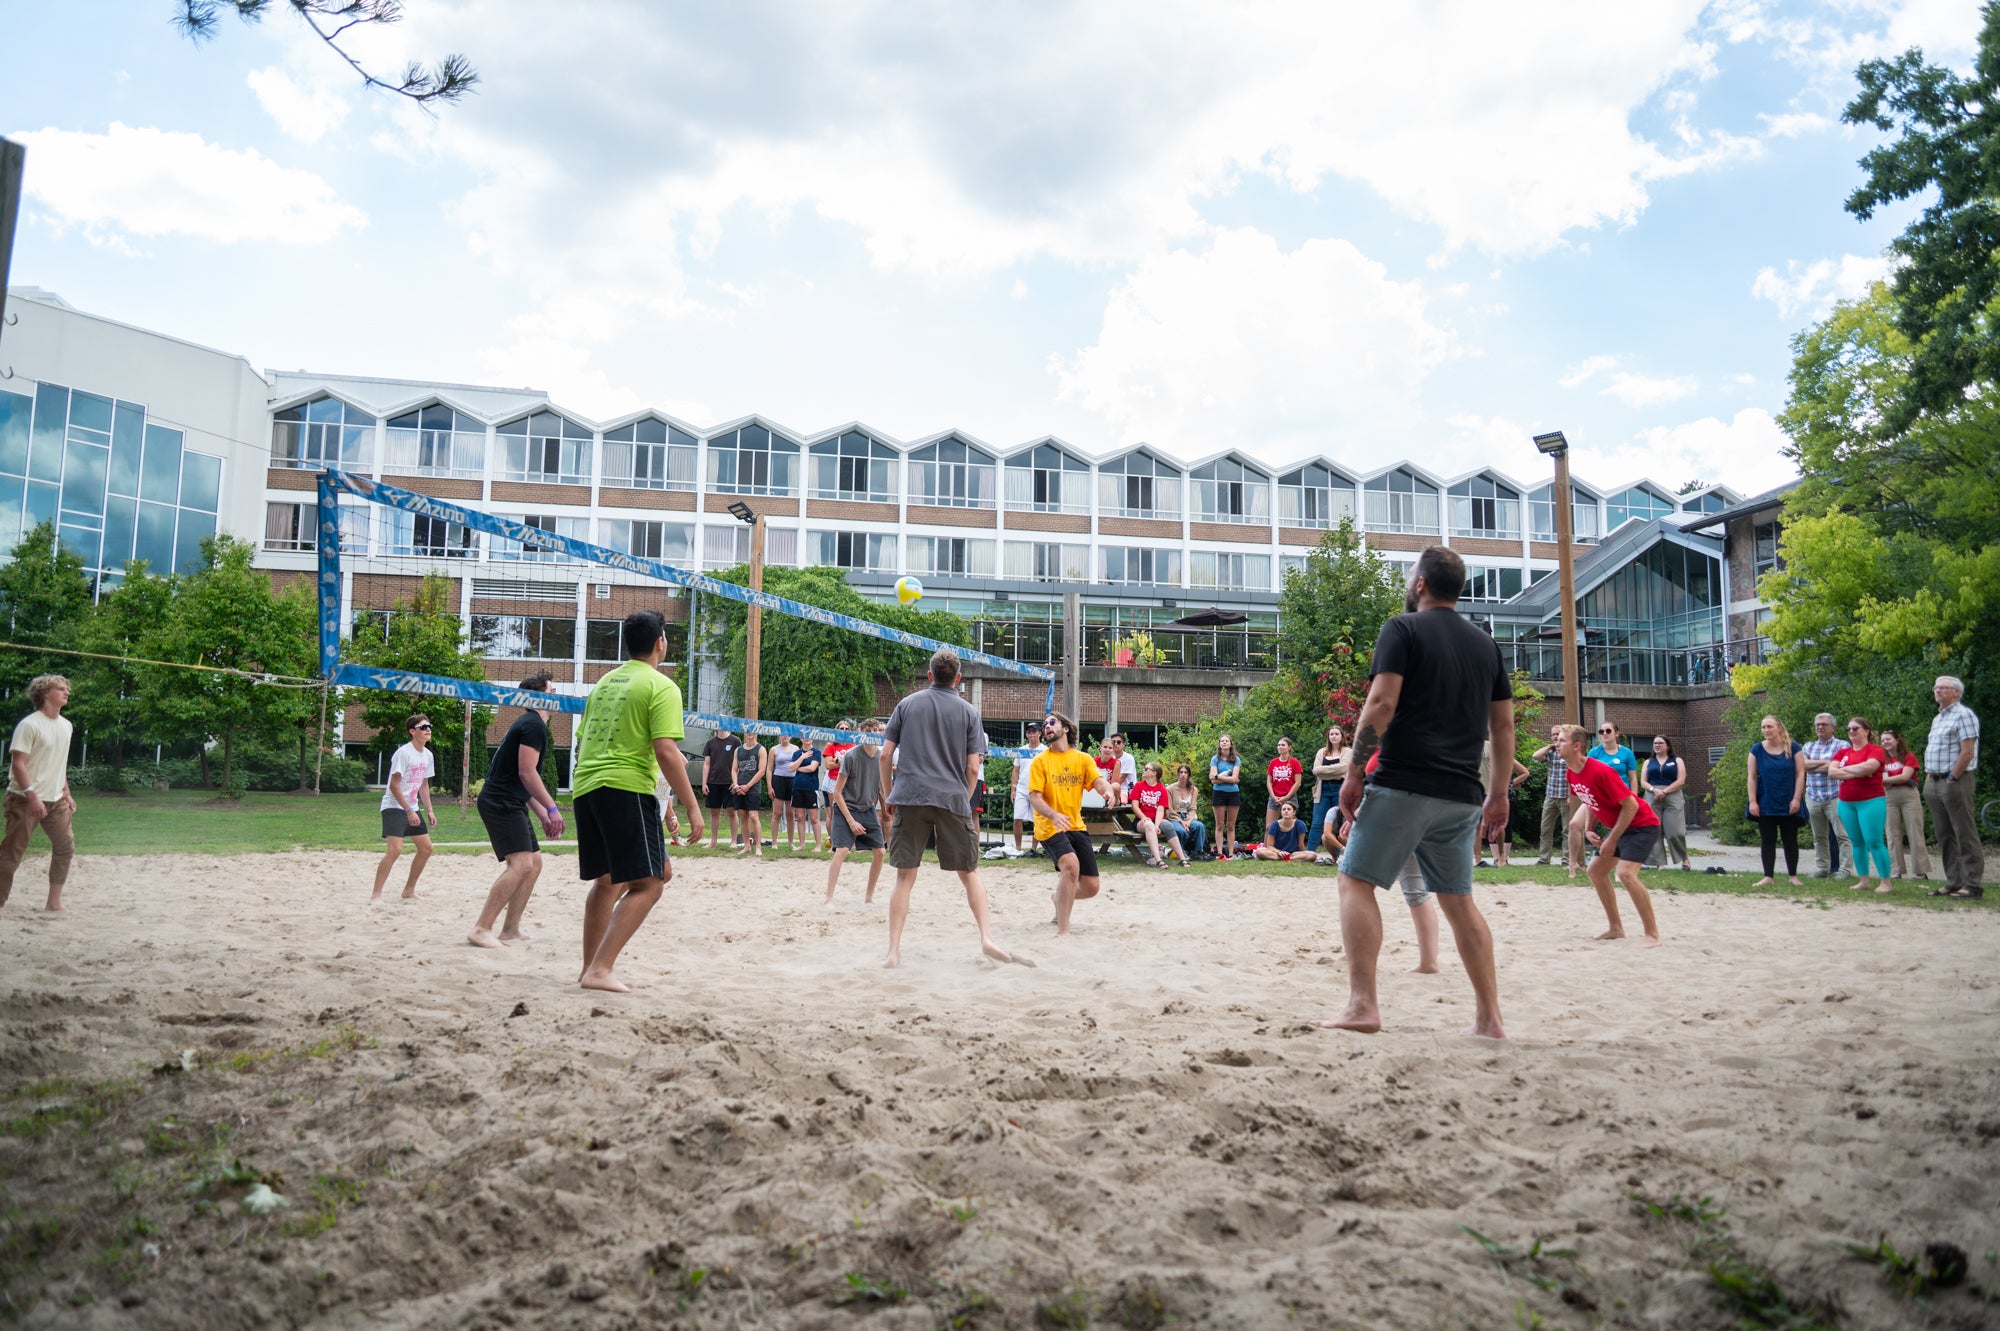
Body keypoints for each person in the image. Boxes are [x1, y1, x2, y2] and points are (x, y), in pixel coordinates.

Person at [1321, 546, 1512, 1039]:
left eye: (1410, 576)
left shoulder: (1401, 629)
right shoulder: (1486, 645)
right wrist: (1498, 794)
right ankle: (1489, 1019)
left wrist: (1355, 771)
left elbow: (1382, 702)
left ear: (1421, 584)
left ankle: (1363, 1005)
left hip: (1405, 783)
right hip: (1462, 794)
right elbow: (1503, 725)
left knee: (1355, 881)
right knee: (1458, 900)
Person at [570, 610, 703, 993]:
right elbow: (665, 750)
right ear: (661, 641)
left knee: (608, 880)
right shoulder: (662, 686)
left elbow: (585, 741)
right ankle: (600, 969)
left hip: (587, 786)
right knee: (652, 882)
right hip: (626, 787)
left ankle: (589, 968)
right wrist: (691, 806)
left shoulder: (604, 683)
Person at [880, 649, 1023, 967]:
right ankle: (986, 937)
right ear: (958, 678)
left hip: (910, 796)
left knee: (905, 877)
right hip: (952, 798)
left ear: (929, 675)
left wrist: (889, 795)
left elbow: (884, 756)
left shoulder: (906, 704)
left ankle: (893, 952)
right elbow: (974, 768)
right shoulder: (969, 711)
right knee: (969, 872)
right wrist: (963, 796)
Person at [467, 674, 566, 949]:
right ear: (539, 697)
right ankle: (482, 928)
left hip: (511, 799)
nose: (557, 696)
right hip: (501, 801)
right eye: (553, 691)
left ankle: (510, 929)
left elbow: (523, 778)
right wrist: (552, 808)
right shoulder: (533, 724)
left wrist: (543, 814)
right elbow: (527, 773)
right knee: (521, 864)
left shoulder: (532, 724)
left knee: (534, 863)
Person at [1557, 724, 1663, 947]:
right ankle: (1616, 928)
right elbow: (1591, 802)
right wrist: (1588, 829)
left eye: (1561, 740)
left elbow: (1631, 805)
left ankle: (1652, 934)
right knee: (1596, 871)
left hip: (1642, 825)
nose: (1556, 743)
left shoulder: (1601, 771)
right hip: (1622, 827)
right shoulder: (1571, 773)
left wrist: (1612, 839)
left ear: (1576, 746)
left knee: (1625, 874)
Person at [1029, 710, 1115, 937]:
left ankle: (1059, 897)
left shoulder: (1082, 759)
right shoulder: (1040, 761)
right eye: (1044, 724)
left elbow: (1097, 781)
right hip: (1049, 826)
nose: (1046, 727)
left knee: (1091, 887)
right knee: (1071, 867)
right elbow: (1035, 798)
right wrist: (1053, 815)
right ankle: (1063, 931)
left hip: (1075, 825)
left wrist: (1107, 791)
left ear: (1065, 728)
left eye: (1052, 722)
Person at [0, 674, 76, 914]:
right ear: (45, 693)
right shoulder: (29, 724)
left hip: (56, 800)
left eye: (67, 689)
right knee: (12, 852)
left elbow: (58, 764)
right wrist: (32, 797)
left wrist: (67, 792)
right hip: (23, 799)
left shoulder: (66, 725)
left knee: (65, 848)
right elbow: (18, 764)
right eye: (61, 689)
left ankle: (53, 903)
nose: (67, 692)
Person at [1923, 675, 1982, 900]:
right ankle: (1953, 881)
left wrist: (1952, 777)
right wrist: (1930, 776)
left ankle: (1973, 884)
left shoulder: (1964, 715)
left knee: (1964, 832)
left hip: (1955, 781)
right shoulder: (1939, 718)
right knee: (1944, 834)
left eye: (1943, 688)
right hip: (1934, 781)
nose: (1937, 690)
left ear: (1956, 692)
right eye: (1936, 687)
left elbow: (1967, 751)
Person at [371, 714, 437, 903]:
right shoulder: (404, 753)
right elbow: (394, 785)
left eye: (429, 726)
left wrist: (429, 810)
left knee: (426, 849)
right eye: (423, 727)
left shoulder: (428, 755)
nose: (428, 729)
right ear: (412, 731)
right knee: (395, 850)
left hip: (412, 806)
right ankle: (376, 895)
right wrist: (408, 811)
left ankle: (408, 890)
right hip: (394, 806)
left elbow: (423, 785)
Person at [825, 719, 888, 904]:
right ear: (860, 732)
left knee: (881, 852)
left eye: (875, 730)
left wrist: (887, 807)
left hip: (867, 808)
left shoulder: (882, 757)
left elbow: (882, 789)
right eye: (867, 730)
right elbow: (837, 793)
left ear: (879, 732)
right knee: (842, 850)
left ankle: (868, 897)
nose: (871, 733)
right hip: (846, 808)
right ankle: (829, 897)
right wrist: (851, 821)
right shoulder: (851, 756)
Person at [1828, 716, 1891, 892]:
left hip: (1871, 801)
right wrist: (1858, 771)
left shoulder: (1876, 749)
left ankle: (1885, 882)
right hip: (1846, 803)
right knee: (1856, 842)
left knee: (1874, 841)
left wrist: (1847, 770)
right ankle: (1863, 881)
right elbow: (1832, 772)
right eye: (1849, 729)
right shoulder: (1843, 753)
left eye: (1855, 728)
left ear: (1866, 731)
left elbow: (1869, 768)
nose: (1852, 732)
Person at [1747, 714, 1806, 887]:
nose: (1766, 730)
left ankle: (1793, 876)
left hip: (1788, 801)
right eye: (1763, 727)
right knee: (1767, 839)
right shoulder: (1756, 749)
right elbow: (1751, 777)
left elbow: (1800, 774)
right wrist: (1752, 801)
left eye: (1769, 726)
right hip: (1766, 801)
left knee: (1790, 839)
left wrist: (1796, 799)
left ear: (1779, 727)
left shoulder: (1794, 747)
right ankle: (1768, 877)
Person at [1800, 712, 1852, 878]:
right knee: (1819, 836)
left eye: (1824, 724)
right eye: (1818, 725)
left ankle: (1844, 870)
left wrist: (1815, 766)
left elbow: (1839, 768)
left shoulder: (1842, 745)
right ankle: (1822, 868)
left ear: (1833, 727)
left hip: (1835, 796)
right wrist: (1828, 764)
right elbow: (1802, 765)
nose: (1820, 727)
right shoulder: (1808, 746)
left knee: (1842, 835)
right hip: (1813, 796)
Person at [1879, 727, 1931, 882]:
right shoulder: (1882, 760)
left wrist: (1882, 780)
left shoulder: (1908, 757)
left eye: (1888, 739)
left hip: (1909, 795)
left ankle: (1919, 871)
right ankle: (1896, 870)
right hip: (1888, 797)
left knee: (1915, 831)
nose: (1885, 742)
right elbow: (1898, 777)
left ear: (1897, 740)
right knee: (1891, 833)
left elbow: (1905, 777)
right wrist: (1891, 780)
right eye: (1882, 740)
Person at [1530, 724, 1581, 872]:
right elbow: (1535, 756)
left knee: (1567, 830)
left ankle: (1566, 860)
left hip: (1566, 797)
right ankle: (1544, 859)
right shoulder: (1551, 753)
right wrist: (1550, 746)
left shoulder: (1569, 754)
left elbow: (1576, 775)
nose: (1556, 737)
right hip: (1551, 796)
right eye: (1553, 735)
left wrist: (1573, 796)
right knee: (1545, 829)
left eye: (1558, 735)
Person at [1641, 736, 1693, 871]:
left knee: (1675, 831)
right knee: (1654, 830)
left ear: (1667, 746)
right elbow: (1643, 782)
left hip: (1672, 795)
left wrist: (1665, 791)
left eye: (1660, 743)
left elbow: (1681, 780)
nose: (1657, 745)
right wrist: (1654, 790)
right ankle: (1659, 863)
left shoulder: (1677, 760)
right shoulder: (1648, 762)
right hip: (1652, 796)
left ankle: (1684, 858)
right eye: (1655, 743)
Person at [1476, 744, 1530, 867]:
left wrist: (1510, 783)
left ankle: (1503, 858)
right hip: (1487, 792)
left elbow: (1525, 772)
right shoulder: (1484, 755)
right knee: (1486, 826)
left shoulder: (1506, 757)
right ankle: (1495, 858)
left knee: (1504, 826)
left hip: (1503, 795)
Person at [1130, 761, 1186, 866]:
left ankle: (1182, 859)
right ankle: (1158, 860)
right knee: (1148, 824)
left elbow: (1160, 810)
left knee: (1168, 825)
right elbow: (1134, 806)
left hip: (1156, 819)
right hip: (1141, 820)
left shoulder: (1161, 789)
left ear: (1154, 773)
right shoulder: (1139, 786)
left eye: (1146, 769)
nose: (1143, 770)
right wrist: (1143, 817)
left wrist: (1157, 825)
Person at [1308, 726, 1351, 850]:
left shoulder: (1347, 751)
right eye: (1331, 734)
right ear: (1328, 736)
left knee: (1337, 823)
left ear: (1341, 736)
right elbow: (1315, 770)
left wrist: (1323, 770)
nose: (1333, 736)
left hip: (1340, 789)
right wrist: (1334, 770)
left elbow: (1344, 768)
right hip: (1323, 790)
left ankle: (1337, 854)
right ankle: (1310, 852)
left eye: (1336, 734)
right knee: (1317, 822)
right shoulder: (1322, 752)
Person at [730, 730, 770, 857]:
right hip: (740, 786)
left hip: (752, 787)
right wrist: (736, 784)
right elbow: (734, 769)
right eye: (747, 731)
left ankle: (758, 846)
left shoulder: (761, 749)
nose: (750, 733)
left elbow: (761, 771)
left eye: (752, 731)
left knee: (753, 815)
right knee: (743, 815)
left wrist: (748, 786)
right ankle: (747, 845)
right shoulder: (738, 750)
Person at [700, 728, 736, 850]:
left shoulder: (735, 740)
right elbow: (707, 764)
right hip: (713, 782)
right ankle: (713, 841)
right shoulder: (710, 742)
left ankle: (734, 841)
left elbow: (738, 763)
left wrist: (736, 782)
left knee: (731, 811)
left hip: (729, 782)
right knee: (714, 812)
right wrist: (704, 783)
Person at [1164, 763, 1208, 860]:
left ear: (1188, 775)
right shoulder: (1169, 789)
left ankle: (1198, 851)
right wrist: (1181, 821)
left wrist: (1187, 821)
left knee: (1199, 826)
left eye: (1185, 772)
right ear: (1177, 774)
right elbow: (1169, 809)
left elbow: (1193, 808)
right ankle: (1180, 851)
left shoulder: (1193, 789)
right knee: (1180, 830)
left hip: (1188, 816)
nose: (1183, 775)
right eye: (1181, 772)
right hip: (1174, 817)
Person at [1209, 735, 1244, 858]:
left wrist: (1218, 776)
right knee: (1219, 825)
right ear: (1219, 744)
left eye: (1226, 741)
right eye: (1222, 741)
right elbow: (1212, 779)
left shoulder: (1236, 759)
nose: (1224, 743)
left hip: (1233, 794)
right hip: (1218, 793)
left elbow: (1235, 779)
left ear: (1230, 744)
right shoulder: (1215, 759)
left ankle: (1230, 853)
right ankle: (1219, 852)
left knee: (1230, 825)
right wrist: (1225, 778)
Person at [1010, 734, 1047, 851]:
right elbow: (1016, 770)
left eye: (1034, 731)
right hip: (1021, 789)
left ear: (1039, 733)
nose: (1031, 734)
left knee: (1037, 820)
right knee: (1017, 819)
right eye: (1029, 732)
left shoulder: (1044, 750)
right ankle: (1018, 849)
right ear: (1026, 734)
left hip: (1037, 790)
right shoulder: (1021, 750)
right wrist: (1013, 789)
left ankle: (1033, 849)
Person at [789, 738, 824, 851]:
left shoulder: (816, 752)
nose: (807, 739)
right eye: (804, 736)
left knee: (814, 818)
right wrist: (802, 757)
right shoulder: (796, 753)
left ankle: (818, 845)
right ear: (801, 738)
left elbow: (812, 768)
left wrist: (797, 768)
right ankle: (801, 845)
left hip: (811, 787)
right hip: (798, 787)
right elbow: (790, 768)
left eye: (809, 736)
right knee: (800, 817)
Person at [1587, 722, 1640, 795]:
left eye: (1608, 731)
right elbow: (1588, 776)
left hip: (1622, 794)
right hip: (1601, 794)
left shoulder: (1627, 753)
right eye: (1601, 732)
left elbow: (1633, 778)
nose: (1604, 733)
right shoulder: (1593, 752)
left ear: (1616, 733)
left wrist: (1634, 797)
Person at [1266, 737, 1305, 830]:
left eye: (1283, 745)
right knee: (1269, 827)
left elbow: (1298, 782)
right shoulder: (1273, 762)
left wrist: (1286, 797)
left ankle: (1294, 844)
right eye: (1279, 745)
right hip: (1274, 797)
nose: (1280, 747)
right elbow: (1269, 781)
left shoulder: (1295, 763)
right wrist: (1273, 796)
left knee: (1291, 825)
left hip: (1290, 797)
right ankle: (1268, 845)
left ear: (1289, 747)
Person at [771, 734, 800, 842]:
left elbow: (798, 765)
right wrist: (770, 787)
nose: (785, 737)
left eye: (787, 735)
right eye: (783, 735)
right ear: (779, 736)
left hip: (792, 780)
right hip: (778, 780)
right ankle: (774, 842)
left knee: (790, 813)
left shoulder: (796, 748)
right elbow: (769, 769)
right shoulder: (774, 749)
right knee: (777, 813)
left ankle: (791, 842)